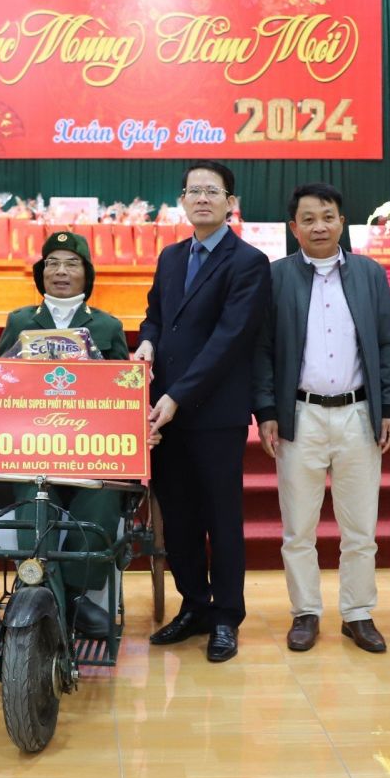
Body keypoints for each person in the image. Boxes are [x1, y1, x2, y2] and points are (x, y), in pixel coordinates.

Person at [253, 182, 390, 654]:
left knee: (360, 527)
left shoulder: (369, 274)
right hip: (300, 415)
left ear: (341, 222)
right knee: (298, 527)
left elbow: (387, 344)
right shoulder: (275, 277)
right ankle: (305, 612)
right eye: (309, 219)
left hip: (358, 413)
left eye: (328, 217)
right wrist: (267, 410)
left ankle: (358, 613)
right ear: (293, 227)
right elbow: (262, 350)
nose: (319, 226)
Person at [137, 159, 272, 663]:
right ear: (182, 200)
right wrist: (147, 343)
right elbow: (155, 316)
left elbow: (229, 341)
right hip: (166, 412)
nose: (201, 198)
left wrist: (176, 397)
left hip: (214, 414)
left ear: (230, 203)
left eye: (212, 191)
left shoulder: (248, 262)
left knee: (221, 517)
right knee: (179, 517)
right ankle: (193, 604)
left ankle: (226, 617)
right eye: (193, 191)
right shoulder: (171, 256)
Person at [0, 231, 131, 637]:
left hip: (91, 451)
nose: (61, 271)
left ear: (87, 274)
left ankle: (69, 597)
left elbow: (125, 389)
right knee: (35, 506)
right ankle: (53, 601)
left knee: (101, 503)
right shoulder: (20, 321)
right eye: (52, 263)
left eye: (71, 264)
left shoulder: (107, 325)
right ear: (41, 273)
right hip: (32, 450)